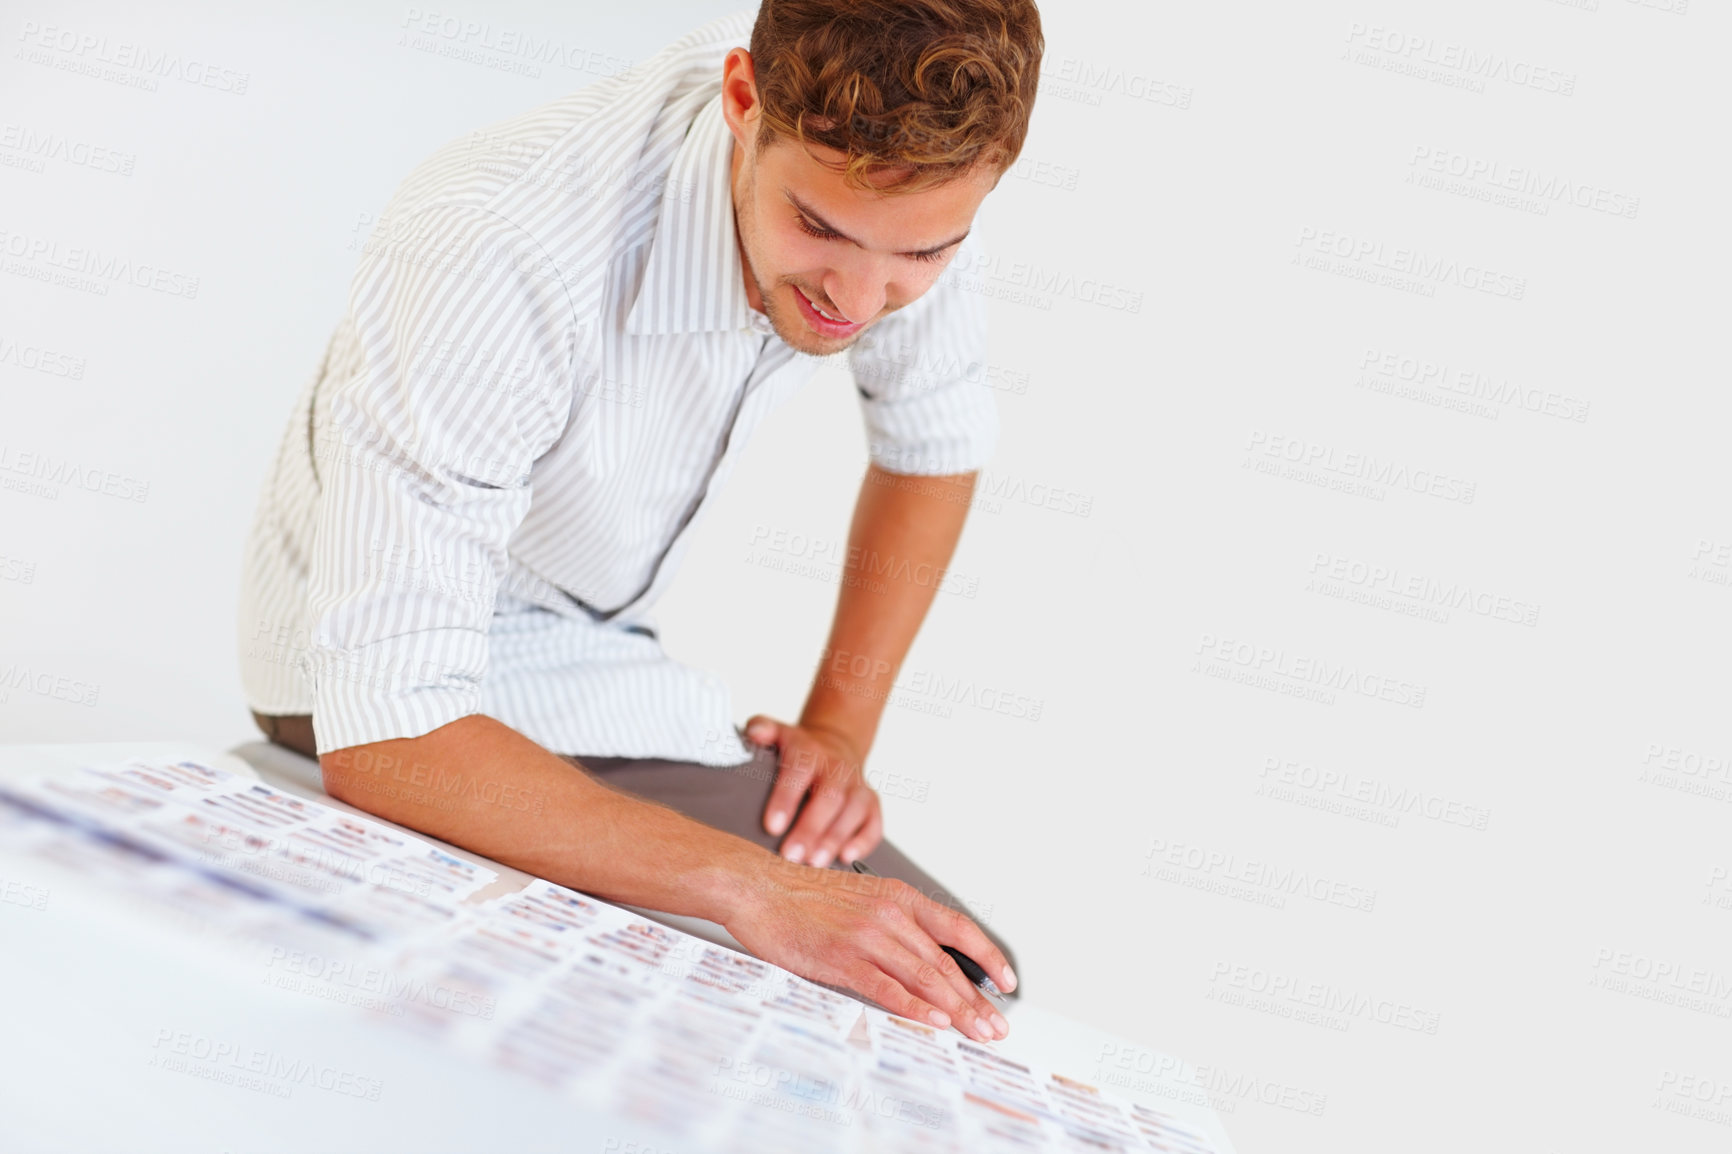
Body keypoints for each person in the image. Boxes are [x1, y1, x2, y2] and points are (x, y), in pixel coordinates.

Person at [239, 0, 1043, 1044]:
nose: (860, 294)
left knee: (962, 975)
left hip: (593, 659)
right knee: (909, 981)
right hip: (367, 680)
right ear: (742, 99)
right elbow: (386, 722)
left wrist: (840, 730)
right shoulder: (496, 242)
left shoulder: (905, 194)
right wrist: (751, 886)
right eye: (819, 229)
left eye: (923, 256)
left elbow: (931, 441)